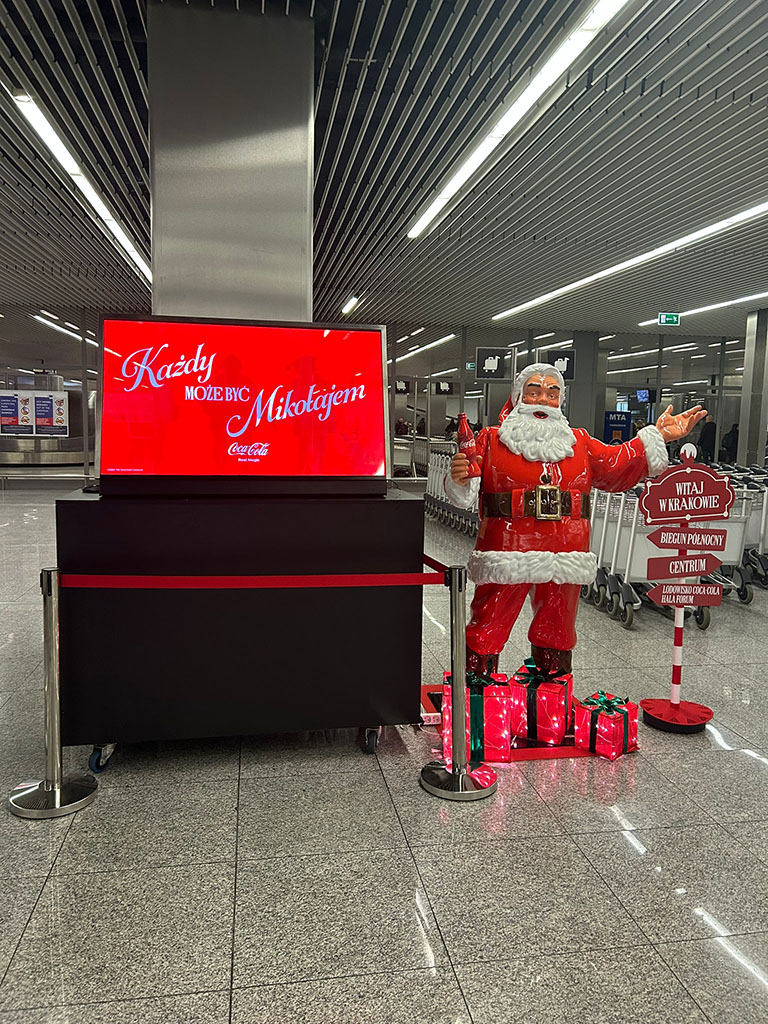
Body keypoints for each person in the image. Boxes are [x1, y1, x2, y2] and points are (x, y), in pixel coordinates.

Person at [445, 362, 706, 677]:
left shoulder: (578, 442)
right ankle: (477, 687)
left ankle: (551, 690)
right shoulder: (491, 439)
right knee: (489, 620)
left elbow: (615, 465)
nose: (543, 400)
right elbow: (465, 489)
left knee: (558, 625)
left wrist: (658, 434)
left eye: (552, 393)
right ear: (517, 397)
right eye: (534, 391)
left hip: (566, 551)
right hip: (507, 548)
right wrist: (459, 478)